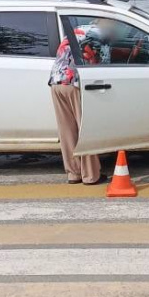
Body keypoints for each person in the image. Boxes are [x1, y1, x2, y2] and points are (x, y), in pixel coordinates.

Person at [47, 19, 115, 185]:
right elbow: (106, 64)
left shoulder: (79, 29)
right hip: (76, 82)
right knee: (85, 129)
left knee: (67, 131)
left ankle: (73, 173)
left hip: (56, 82)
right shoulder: (103, 36)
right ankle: (91, 175)